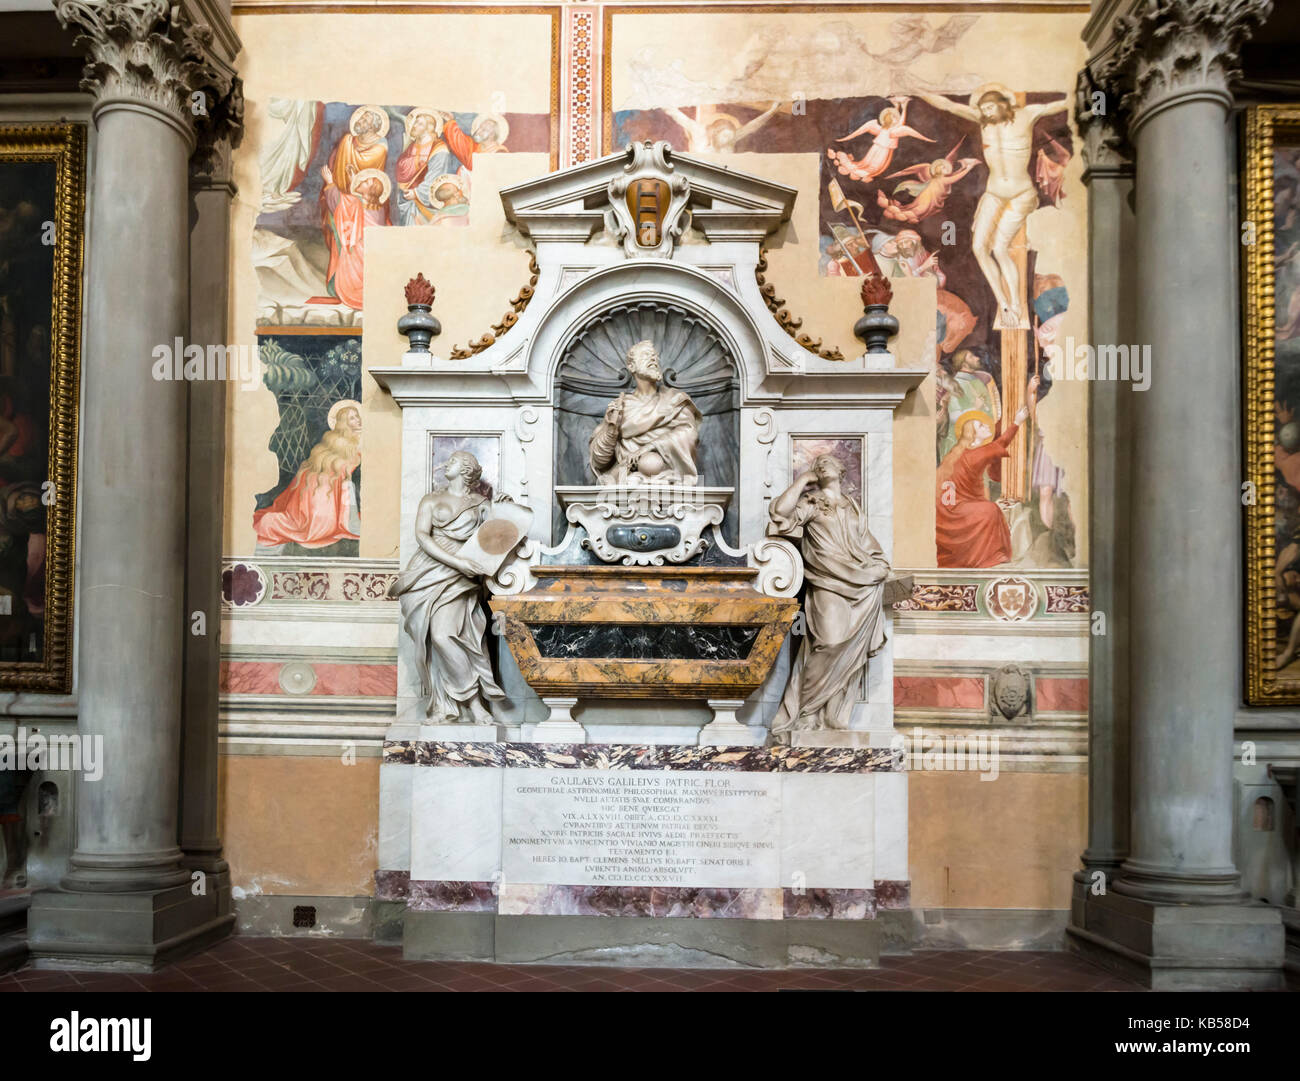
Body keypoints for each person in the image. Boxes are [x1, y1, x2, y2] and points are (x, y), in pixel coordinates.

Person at [916, 85, 1069, 327]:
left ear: (1003, 104)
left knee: (999, 248)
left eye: (990, 107)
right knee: (978, 248)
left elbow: (1056, 106)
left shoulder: (1027, 114)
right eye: (983, 109)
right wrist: (918, 90)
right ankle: (1004, 302)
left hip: (1021, 193)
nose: (986, 112)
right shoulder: (983, 121)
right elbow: (948, 105)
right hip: (994, 192)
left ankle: (1016, 305)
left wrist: (1082, 93)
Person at [767, 454, 891, 738]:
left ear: (842, 470)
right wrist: (802, 481)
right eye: (818, 463)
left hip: (861, 587)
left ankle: (831, 713)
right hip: (826, 582)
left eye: (829, 462)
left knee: (849, 653)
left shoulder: (852, 507)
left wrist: (877, 567)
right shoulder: (812, 502)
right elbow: (779, 514)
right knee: (830, 642)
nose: (823, 465)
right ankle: (805, 710)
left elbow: (867, 545)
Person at [388, 450, 507, 723]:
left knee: (448, 636)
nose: (446, 463)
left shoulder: (481, 504)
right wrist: (455, 561)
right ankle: (444, 705)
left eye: (453, 461)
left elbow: (497, 536)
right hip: (427, 572)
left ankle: (474, 702)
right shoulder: (431, 499)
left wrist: (504, 506)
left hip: (460, 577)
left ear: (466, 470)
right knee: (434, 640)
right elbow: (421, 536)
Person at [936, 377, 1038, 567]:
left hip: (946, 510)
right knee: (990, 510)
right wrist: (1016, 422)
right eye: (981, 426)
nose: (986, 426)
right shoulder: (976, 455)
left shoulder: (957, 452)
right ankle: (990, 557)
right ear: (973, 435)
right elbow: (1001, 442)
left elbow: (995, 436)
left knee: (991, 508)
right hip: (955, 511)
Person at [588, 340, 702, 484]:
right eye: (646, 355)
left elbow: (689, 434)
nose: (653, 358)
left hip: (669, 477)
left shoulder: (674, 400)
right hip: (626, 479)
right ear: (631, 366)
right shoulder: (620, 407)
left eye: (654, 356)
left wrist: (649, 447)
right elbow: (599, 461)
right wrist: (611, 430)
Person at [254, 401, 362, 551]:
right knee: (309, 515)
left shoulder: (360, 439)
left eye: (357, 416)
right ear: (343, 423)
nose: (358, 420)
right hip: (321, 488)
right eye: (352, 418)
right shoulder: (332, 438)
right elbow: (334, 464)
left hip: (330, 484)